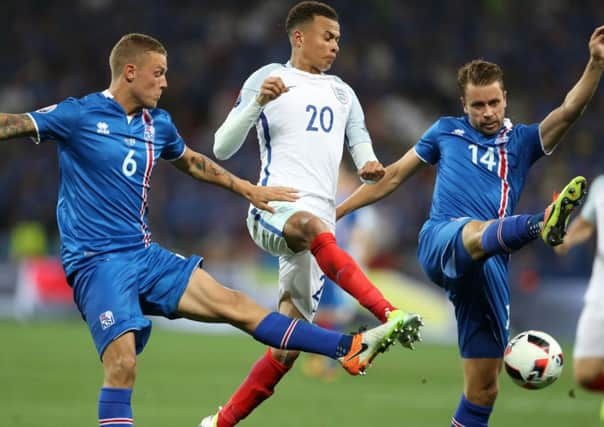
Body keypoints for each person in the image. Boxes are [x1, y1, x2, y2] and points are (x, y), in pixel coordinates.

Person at [0, 33, 412, 427]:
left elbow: (194, 163)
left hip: (144, 255)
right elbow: (14, 123)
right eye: (157, 73)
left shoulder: (157, 124)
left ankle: (348, 348)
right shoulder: (79, 114)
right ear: (129, 72)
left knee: (237, 304)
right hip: (96, 263)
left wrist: (247, 188)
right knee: (123, 365)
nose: (165, 82)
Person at [336, 26, 604, 427]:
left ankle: (537, 227)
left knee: (483, 388)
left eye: (494, 102)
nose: (488, 112)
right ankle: (541, 224)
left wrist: (596, 64)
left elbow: (568, 110)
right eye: (478, 106)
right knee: (474, 230)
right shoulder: (446, 131)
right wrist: (336, 213)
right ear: (464, 104)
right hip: (443, 238)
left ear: (505, 98)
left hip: (491, 266)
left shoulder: (523, 141)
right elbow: (391, 178)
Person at [203, 2, 423, 426]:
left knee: (285, 348)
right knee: (309, 225)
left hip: (319, 230)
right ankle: (388, 313)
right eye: (328, 36)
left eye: (338, 38)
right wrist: (255, 104)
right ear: (299, 37)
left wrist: (369, 164)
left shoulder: (343, 93)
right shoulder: (270, 78)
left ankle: (220, 423)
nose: (335, 46)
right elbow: (222, 147)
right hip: (274, 207)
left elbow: (360, 145)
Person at [554, 174, 604, 423]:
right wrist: (565, 238)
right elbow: (586, 224)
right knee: (586, 373)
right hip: (601, 286)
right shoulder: (601, 186)